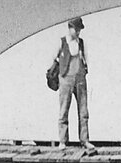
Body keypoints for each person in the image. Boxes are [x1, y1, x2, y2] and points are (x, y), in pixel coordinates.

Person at [52, 16, 95, 152]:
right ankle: (63, 141)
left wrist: (83, 72)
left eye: (79, 30)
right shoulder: (61, 42)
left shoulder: (82, 43)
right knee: (64, 110)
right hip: (65, 79)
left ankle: (85, 140)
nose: (78, 32)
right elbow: (54, 59)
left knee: (83, 111)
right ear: (69, 28)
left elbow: (86, 60)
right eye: (76, 29)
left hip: (80, 79)